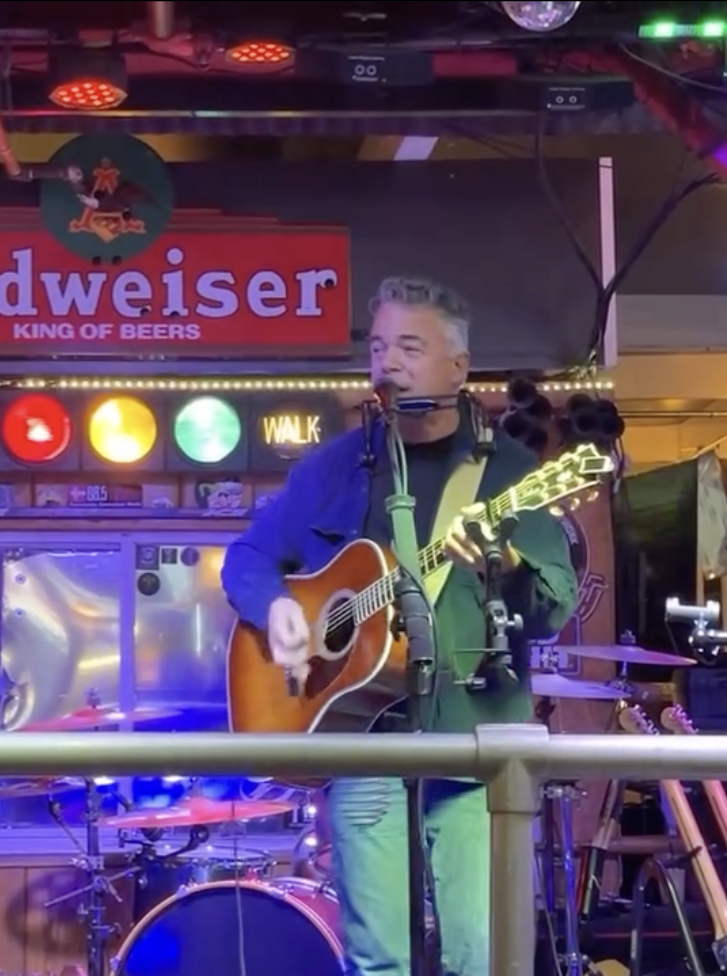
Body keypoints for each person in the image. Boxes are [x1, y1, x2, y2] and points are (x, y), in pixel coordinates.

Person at [222, 276, 577, 976]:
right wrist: (278, 608)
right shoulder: (333, 468)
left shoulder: (510, 474)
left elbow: (554, 609)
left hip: (475, 742)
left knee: (483, 957)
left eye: (410, 348)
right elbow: (249, 558)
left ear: (458, 366)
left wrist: (505, 561)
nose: (388, 363)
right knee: (377, 958)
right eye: (380, 347)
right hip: (365, 743)